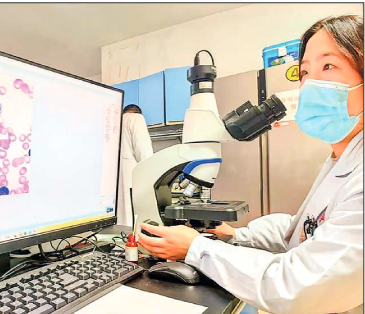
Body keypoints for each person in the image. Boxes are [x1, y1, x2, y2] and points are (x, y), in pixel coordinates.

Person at [138, 15, 363, 314]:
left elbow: (298, 286)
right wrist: (235, 235)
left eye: (329, 65)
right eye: (305, 71)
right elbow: (305, 229)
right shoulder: (344, 159)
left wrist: (196, 248)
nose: (310, 84)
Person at [117, 104, 153, 227]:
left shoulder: (115, 122)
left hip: (113, 177)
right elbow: (143, 152)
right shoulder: (136, 118)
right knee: (130, 215)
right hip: (132, 175)